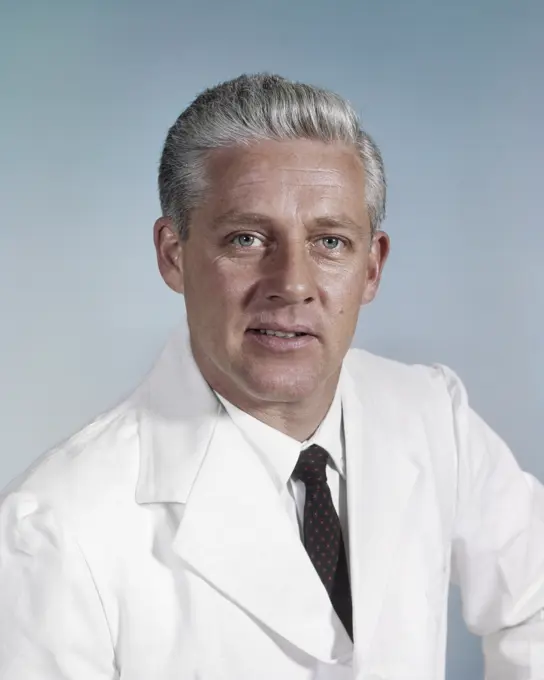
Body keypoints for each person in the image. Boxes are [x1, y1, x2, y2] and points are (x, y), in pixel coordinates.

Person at [0, 73, 543, 680]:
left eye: (330, 241)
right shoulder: (54, 527)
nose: (292, 284)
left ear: (372, 268)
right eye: (247, 238)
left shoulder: (430, 414)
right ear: (172, 254)